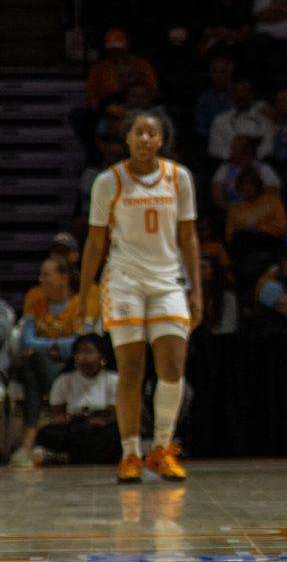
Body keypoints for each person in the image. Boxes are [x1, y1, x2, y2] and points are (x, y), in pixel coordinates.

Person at [77, 108, 199, 484]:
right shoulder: (108, 182)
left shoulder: (179, 178)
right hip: (124, 280)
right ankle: (130, 452)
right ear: (126, 138)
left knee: (173, 369)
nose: (145, 139)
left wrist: (196, 290)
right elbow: (95, 243)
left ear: (162, 140)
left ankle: (162, 448)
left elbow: (188, 237)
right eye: (139, 133)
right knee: (131, 369)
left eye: (152, 133)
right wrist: (85, 296)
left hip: (167, 281)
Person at [9, 257, 101, 468]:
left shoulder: (79, 304)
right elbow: (25, 341)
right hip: (43, 370)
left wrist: (48, 345)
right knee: (31, 361)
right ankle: (32, 444)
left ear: (63, 278)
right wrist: (59, 347)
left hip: (71, 370)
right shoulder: (36, 303)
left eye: (46, 275)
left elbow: (82, 342)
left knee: (33, 362)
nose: (40, 279)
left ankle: (27, 444)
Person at [34, 334, 121, 466]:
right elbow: (57, 414)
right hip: (74, 426)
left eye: (89, 352)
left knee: (115, 434)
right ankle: (73, 456)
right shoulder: (63, 380)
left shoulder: (113, 379)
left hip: (101, 427)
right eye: (80, 352)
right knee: (46, 433)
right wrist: (69, 420)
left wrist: (101, 421)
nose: (84, 357)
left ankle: (69, 457)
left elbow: (115, 414)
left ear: (102, 356)